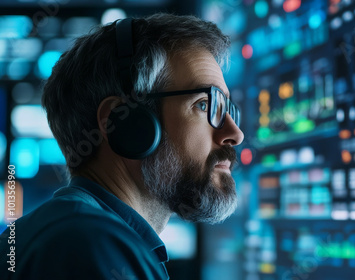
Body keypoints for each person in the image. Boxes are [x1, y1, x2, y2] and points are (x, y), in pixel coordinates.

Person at [0, 13, 244, 279]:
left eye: (226, 109)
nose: (235, 134)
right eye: (205, 105)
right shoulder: (90, 245)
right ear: (122, 121)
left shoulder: (74, 231)